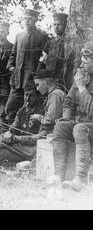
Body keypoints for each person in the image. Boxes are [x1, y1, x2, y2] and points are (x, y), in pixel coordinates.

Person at [0, 70, 64, 165]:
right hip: (38, 145)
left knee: (4, 142)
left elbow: (45, 128)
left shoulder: (55, 95)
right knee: (5, 148)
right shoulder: (26, 109)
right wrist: (11, 133)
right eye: (26, 95)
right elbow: (14, 128)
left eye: (38, 84)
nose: (37, 88)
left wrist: (15, 138)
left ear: (46, 81)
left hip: (42, 146)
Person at [50, 40, 93, 191]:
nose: (82, 65)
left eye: (86, 61)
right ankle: (58, 176)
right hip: (83, 124)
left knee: (80, 129)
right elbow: (68, 101)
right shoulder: (82, 76)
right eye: (81, 61)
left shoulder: (81, 81)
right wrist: (67, 117)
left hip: (87, 126)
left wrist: (82, 87)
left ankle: (80, 179)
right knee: (60, 127)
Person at [5, 9, 49, 123]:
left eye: (30, 19)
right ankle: (9, 133)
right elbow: (13, 54)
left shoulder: (42, 36)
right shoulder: (19, 36)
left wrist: (36, 73)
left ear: (36, 20)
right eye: (25, 18)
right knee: (9, 108)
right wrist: (11, 67)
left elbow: (45, 56)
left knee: (28, 110)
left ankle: (23, 135)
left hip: (31, 81)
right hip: (16, 80)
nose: (27, 21)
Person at [39, 12, 80, 91]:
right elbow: (42, 60)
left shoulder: (70, 43)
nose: (56, 27)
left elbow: (76, 62)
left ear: (65, 25)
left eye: (59, 25)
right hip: (49, 78)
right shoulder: (50, 42)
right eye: (54, 24)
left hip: (64, 78)